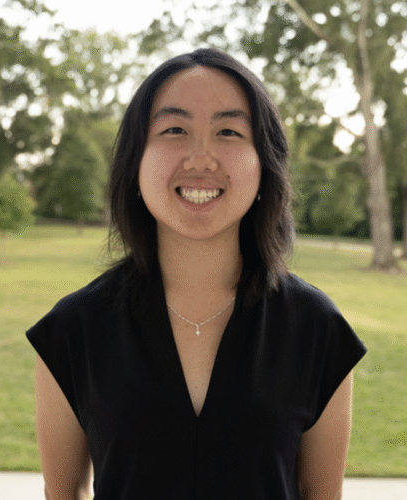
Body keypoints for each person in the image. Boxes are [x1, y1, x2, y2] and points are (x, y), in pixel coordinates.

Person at [27, 48, 366, 500]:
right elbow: (62, 491)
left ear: (264, 163)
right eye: (174, 130)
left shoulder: (316, 327)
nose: (201, 159)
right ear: (136, 159)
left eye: (228, 131)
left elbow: (321, 493)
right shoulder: (73, 330)